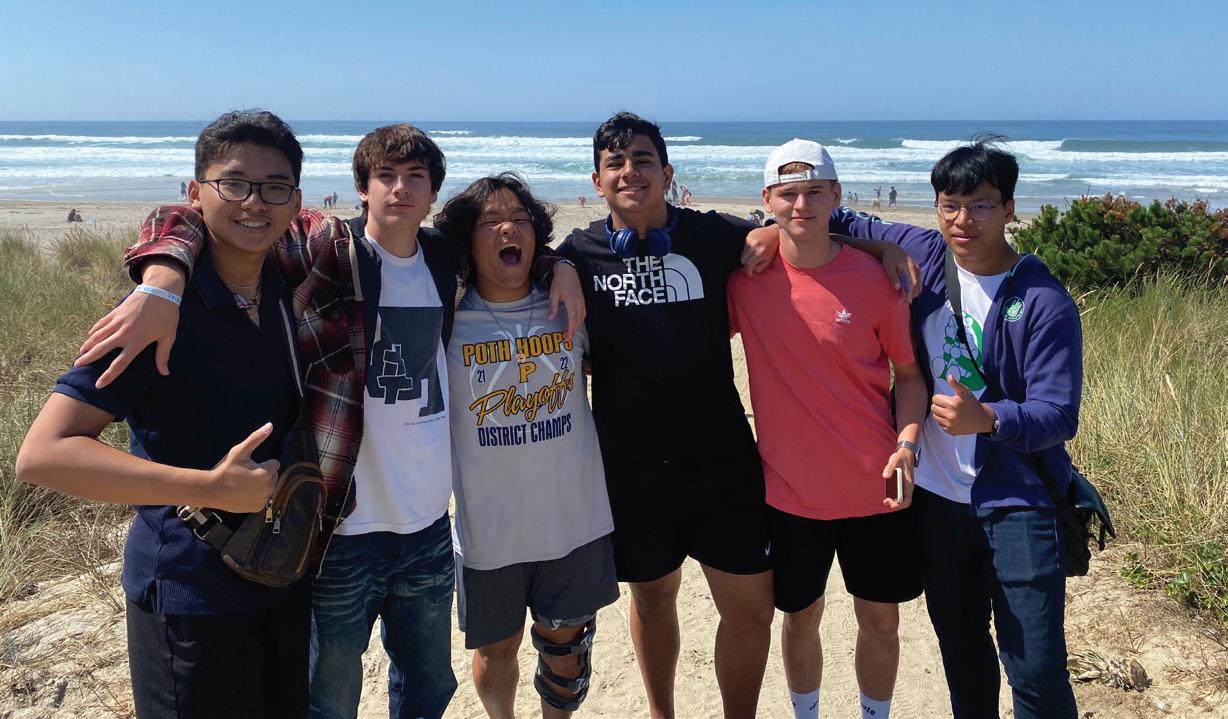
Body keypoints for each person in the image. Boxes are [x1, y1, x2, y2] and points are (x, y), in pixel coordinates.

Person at [74, 124, 586, 719]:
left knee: (427, 688)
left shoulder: (445, 261)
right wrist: (163, 279)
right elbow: (198, 216)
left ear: (433, 194)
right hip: (342, 531)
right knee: (329, 698)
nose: (400, 188)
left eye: (415, 177)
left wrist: (559, 265)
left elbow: (508, 247)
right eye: (385, 176)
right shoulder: (324, 251)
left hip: (428, 530)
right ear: (362, 189)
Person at [555, 113, 915, 719]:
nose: (630, 172)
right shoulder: (578, 256)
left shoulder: (714, 236)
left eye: (643, 160)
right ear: (597, 181)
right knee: (652, 599)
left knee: (750, 612)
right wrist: (559, 268)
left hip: (722, 463)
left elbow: (804, 234)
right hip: (630, 465)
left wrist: (879, 247)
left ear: (667, 173)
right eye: (615, 163)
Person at [754, 139, 1084, 718]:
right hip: (936, 500)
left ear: (1009, 209)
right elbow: (829, 219)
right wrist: (764, 234)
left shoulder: (1042, 300)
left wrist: (990, 419)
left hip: (1018, 502)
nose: (963, 220)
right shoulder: (927, 255)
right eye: (950, 205)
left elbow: (1059, 414)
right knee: (962, 649)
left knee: (1033, 667)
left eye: (981, 206)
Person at [17, 110, 312, 718]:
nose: (254, 202)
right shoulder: (154, 316)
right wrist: (207, 488)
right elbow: (44, 455)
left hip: (282, 575)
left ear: (295, 201)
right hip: (189, 593)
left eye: (274, 187)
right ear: (195, 193)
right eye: (234, 183)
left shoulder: (292, 288)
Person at [728, 139, 926, 719]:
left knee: (881, 621)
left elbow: (910, 376)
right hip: (789, 492)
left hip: (875, 485)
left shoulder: (877, 279)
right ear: (767, 200)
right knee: (801, 617)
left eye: (815, 192)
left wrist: (908, 444)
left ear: (836, 195)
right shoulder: (745, 281)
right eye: (788, 194)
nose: (801, 205)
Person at [437, 173, 618, 718]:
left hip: (575, 521)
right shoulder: (447, 321)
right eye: (490, 222)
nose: (507, 229)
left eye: (519, 219)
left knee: (566, 649)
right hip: (490, 532)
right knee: (496, 652)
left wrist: (563, 267)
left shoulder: (571, 305)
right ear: (468, 241)